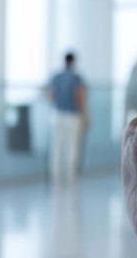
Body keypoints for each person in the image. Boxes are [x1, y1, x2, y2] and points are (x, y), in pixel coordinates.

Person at [45, 52, 88, 184]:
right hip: (73, 115)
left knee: (57, 146)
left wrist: (57, 102)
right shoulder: (76, 77)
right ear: (73, 61)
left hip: (57, 114)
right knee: (73, 146)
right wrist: (84, 115)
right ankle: (71, 177)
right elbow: (79, 96)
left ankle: (55, 177)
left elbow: (49, 94)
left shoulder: (55, 76)